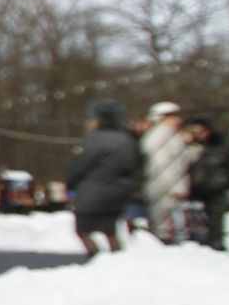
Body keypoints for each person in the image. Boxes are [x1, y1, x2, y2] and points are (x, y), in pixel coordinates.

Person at [67, 100, 142, 258]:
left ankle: (95, 258)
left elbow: (80, 165)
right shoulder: (127, 139)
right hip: (120, 190)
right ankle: (116, 258)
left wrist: (71, 183)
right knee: (110, 230)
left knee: (82, 229)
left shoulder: (94, 139)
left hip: (93, 191)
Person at [185, 117, 229, 251]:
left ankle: (216, 245)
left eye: (199, 131)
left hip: (216, 189)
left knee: (215, 220)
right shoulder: (188, 147)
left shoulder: (220, 147)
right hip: (193, 189)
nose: (196, 134)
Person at [140, 101, 195, 243]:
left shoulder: (169, 135)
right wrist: (177, 187)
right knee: (164, 221)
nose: (178, 120)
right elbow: (163, 164)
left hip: (167, 184)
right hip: (165, 185)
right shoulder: (161, 135)